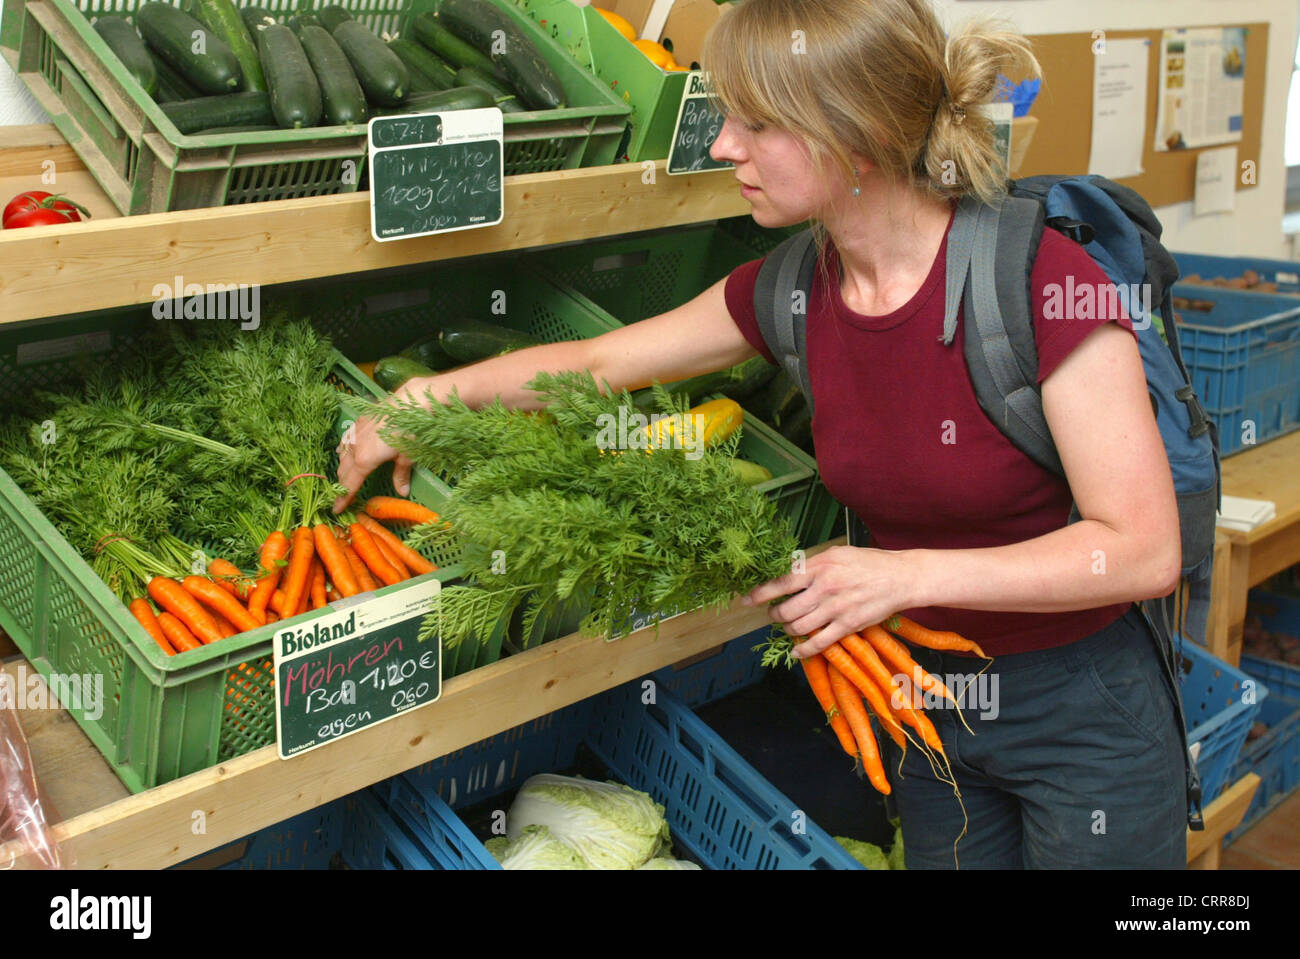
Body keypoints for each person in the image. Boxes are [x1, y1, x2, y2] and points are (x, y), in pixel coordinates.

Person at [335, 0, 1188, 868]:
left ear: (849, 132)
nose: (722, 146)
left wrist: (904, 574)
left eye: (756, 122)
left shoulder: (1040, 282)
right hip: (925, 705)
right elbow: (594, 364)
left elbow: (1143, 548)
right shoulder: (795, 290)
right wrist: (424, 402)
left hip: (1083, 718)